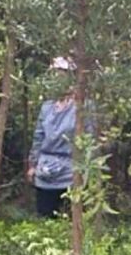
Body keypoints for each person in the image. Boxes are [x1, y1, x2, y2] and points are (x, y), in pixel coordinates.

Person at [27, 57, 89, 219]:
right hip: (46, 170)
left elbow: (90, 139)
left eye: (61, 74)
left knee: (71, 219)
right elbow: (38, 137)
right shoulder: (47, 107)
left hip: (71, 171)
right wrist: (33, 164)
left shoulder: (83, 107)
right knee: (45, 217)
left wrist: (87, 170)